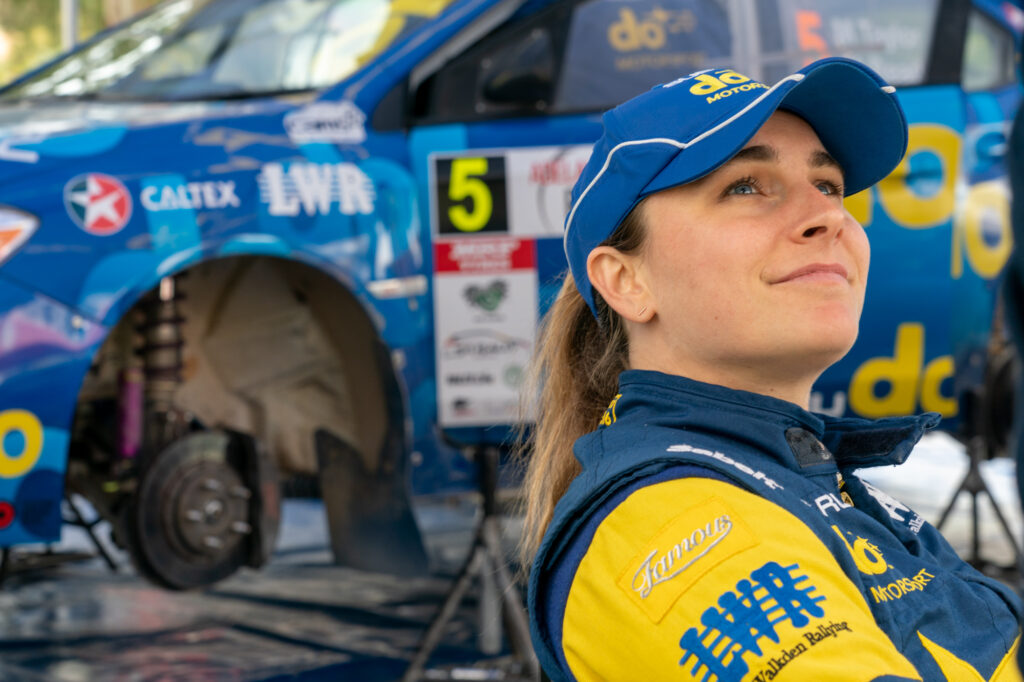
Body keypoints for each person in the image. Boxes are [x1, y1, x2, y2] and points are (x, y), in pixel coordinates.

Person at [521, 57, 1023, 682]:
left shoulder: (809, 483)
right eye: (745, 186)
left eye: (829, 185)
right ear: (626, 280)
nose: (828, 216)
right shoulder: (671, 525)